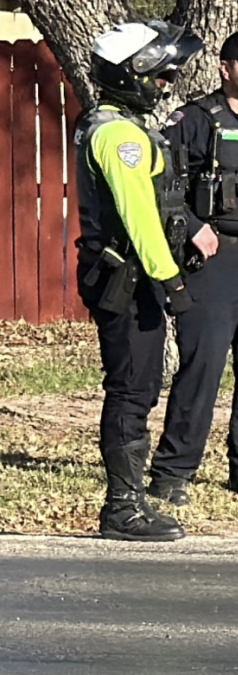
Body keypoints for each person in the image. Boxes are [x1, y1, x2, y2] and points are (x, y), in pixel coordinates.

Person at [75, 19, 201, 541]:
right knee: (131, 390)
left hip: (129, 274)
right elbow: (138, 215)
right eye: (161, 75)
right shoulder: (119, 135)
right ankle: (122, 509)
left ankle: (126, 504)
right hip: (126, 278)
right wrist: (171, 282)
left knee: (139, 387)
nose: (167, 84)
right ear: (133, 75)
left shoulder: (118, 125)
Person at [149, 33, 238, 505]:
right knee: (202, 365)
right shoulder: (197, 119)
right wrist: (196, 225)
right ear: (226, 68)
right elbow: (161, 184)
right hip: (214, 255)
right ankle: (173, 472)